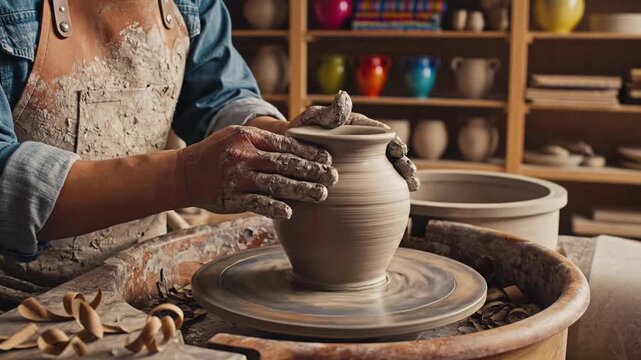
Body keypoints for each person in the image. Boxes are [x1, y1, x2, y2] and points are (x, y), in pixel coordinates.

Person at [0, 0, 418, 302]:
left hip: (137, 276)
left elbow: (220, 97)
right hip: (18, 296)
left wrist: (284, 138)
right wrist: (185, 176)